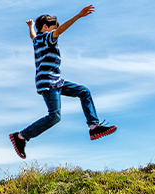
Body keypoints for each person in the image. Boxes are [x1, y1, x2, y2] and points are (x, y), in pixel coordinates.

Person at [10, 4, 117, 159]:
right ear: (46, 27)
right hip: (49, 82)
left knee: (84, 91)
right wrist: (78, 16)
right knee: (54, 116)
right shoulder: (48, 38)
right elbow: (59, 31)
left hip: (56, 80)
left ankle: (94, 126)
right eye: (53, 28)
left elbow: (33, 36)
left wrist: (31, 26)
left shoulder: (37, 40)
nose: (56, 31)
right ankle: (21, 136)